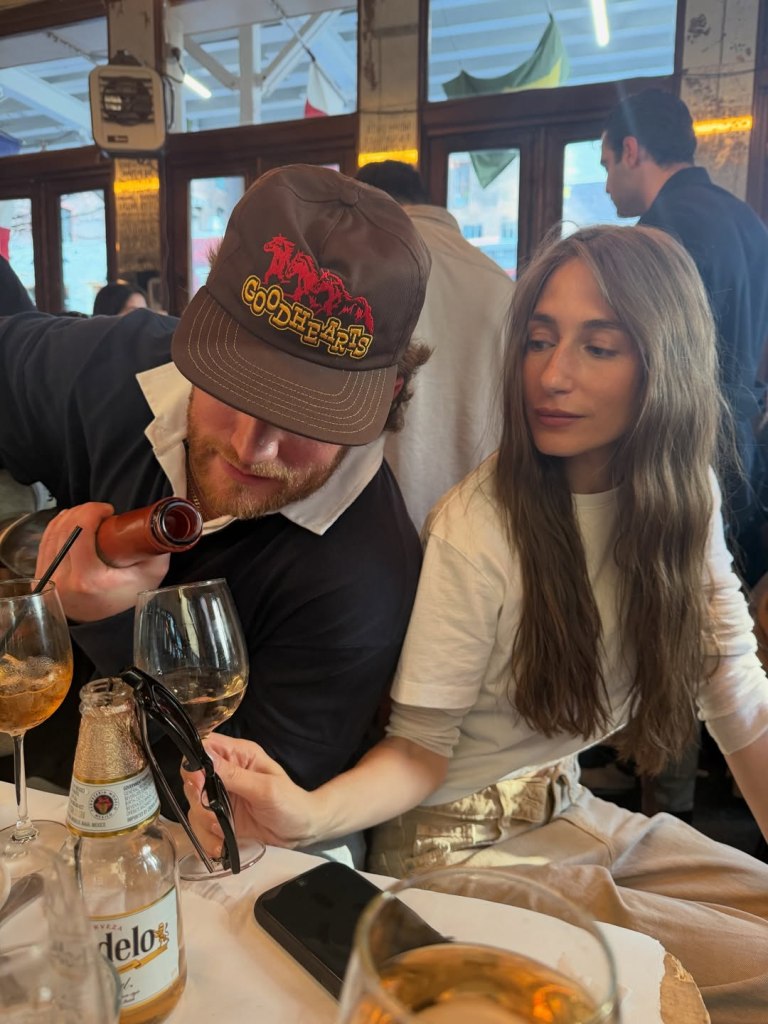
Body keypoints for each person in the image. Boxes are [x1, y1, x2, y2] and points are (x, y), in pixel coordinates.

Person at [184, 225, 768, 1023]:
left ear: (662, 364)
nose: (552, 376)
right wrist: (307, 812)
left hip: (574, 811)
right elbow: (421, 750)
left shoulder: (683, 498)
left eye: (599, 348)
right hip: (459, 849)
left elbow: (735, 690)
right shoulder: (481, 522)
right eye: (537, 340)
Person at [0, 164, 432, 864]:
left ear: (389, 394)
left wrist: (111, 625)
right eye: (236, 382)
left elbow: (224, 820)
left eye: (304, 415)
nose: (249, 444)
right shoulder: (113, 366)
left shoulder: (364, 575)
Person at [601, 88, 768, 584]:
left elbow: (649, 365)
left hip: (683, 452)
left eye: (607, 163)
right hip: (742, 445)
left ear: (632, 151)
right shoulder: (748, 221)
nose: (607, 184)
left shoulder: (658, 232)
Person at [355, 160, 514, 531]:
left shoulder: (361, 272)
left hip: (372, 530)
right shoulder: (501, 285)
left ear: (367, 205)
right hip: (479, 530)